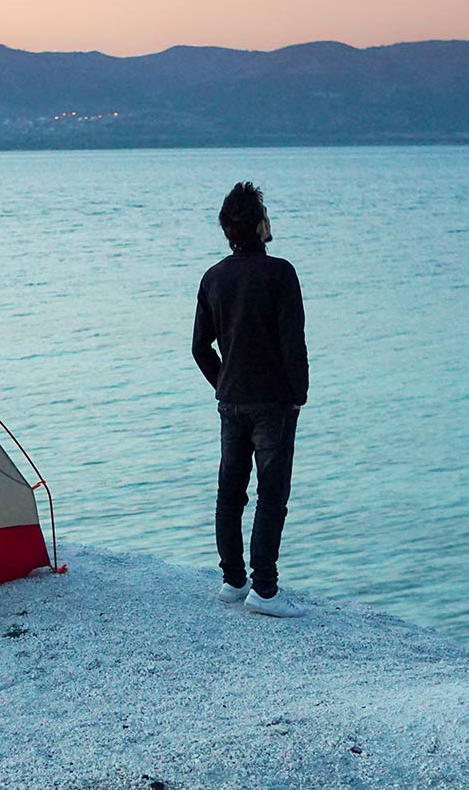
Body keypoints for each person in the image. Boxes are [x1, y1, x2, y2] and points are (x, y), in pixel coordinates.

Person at [192, 181, 309, 618]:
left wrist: (223, 382)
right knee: (271, 495)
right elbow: (292, 343)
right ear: (260, 225)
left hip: (231, 400)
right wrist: (298, 394)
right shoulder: (281, 273)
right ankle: (265, 589)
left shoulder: (213, 277)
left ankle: (233, 580)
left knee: (230, 491)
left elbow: (200, 347)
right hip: (273, 402)